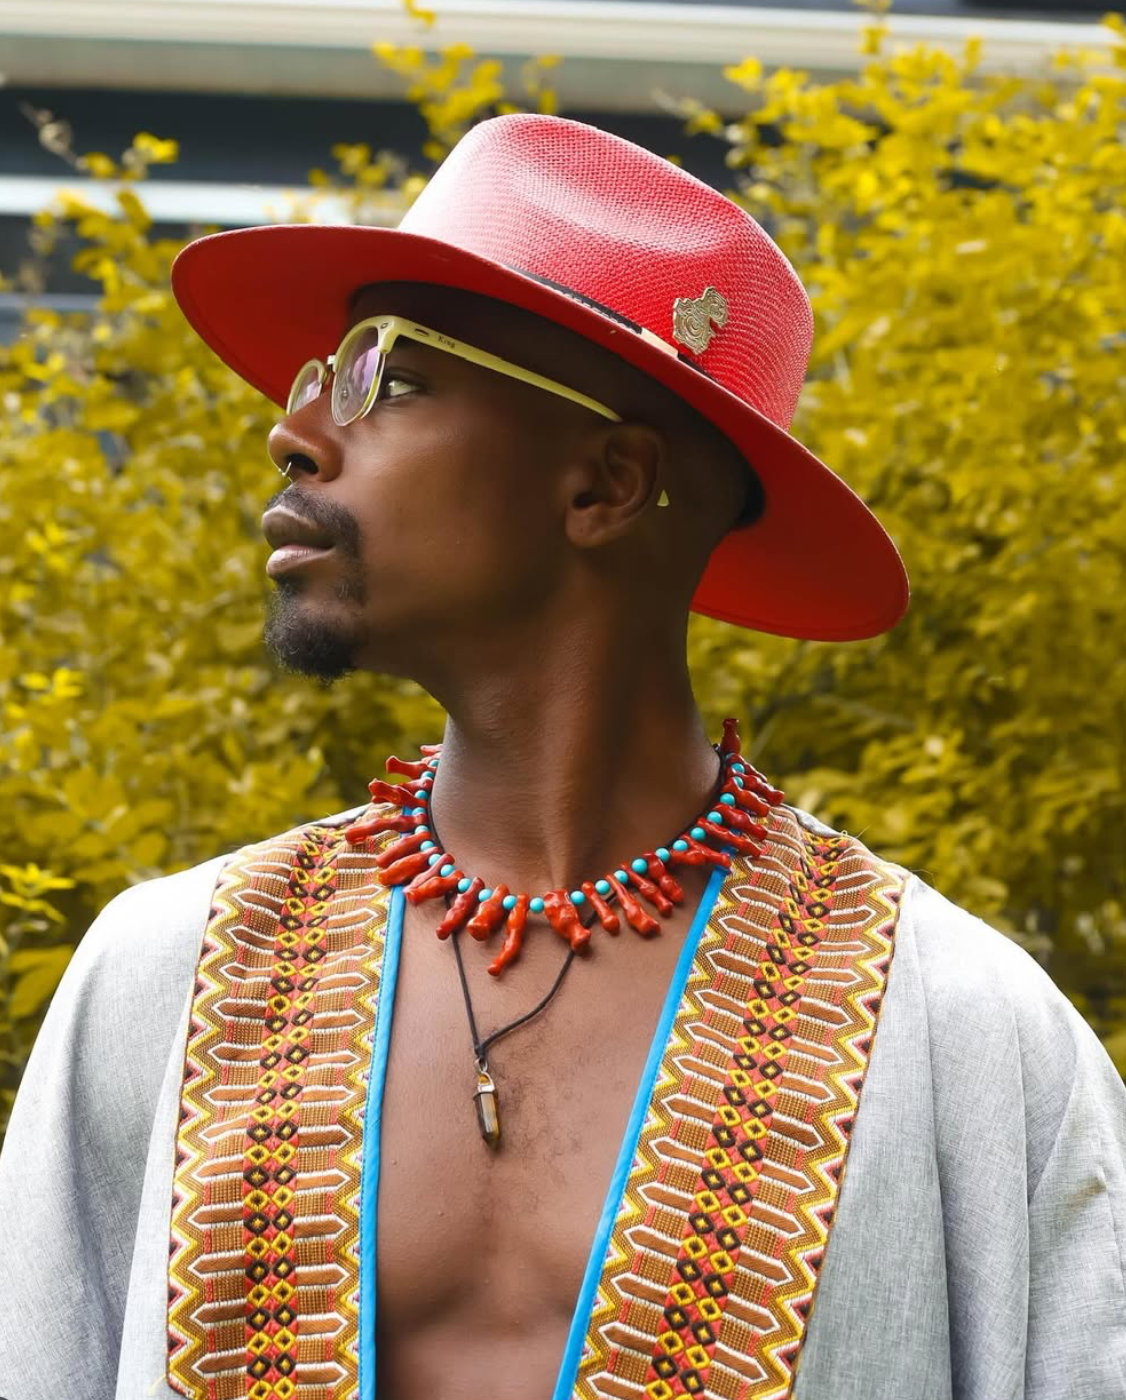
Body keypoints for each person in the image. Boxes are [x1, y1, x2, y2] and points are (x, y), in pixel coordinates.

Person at [0, 113, 1123, 1400]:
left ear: (603, 484)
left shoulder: (969, 1041)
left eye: (382, 372)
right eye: (318, 369)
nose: (295, 428)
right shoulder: (163, 985)